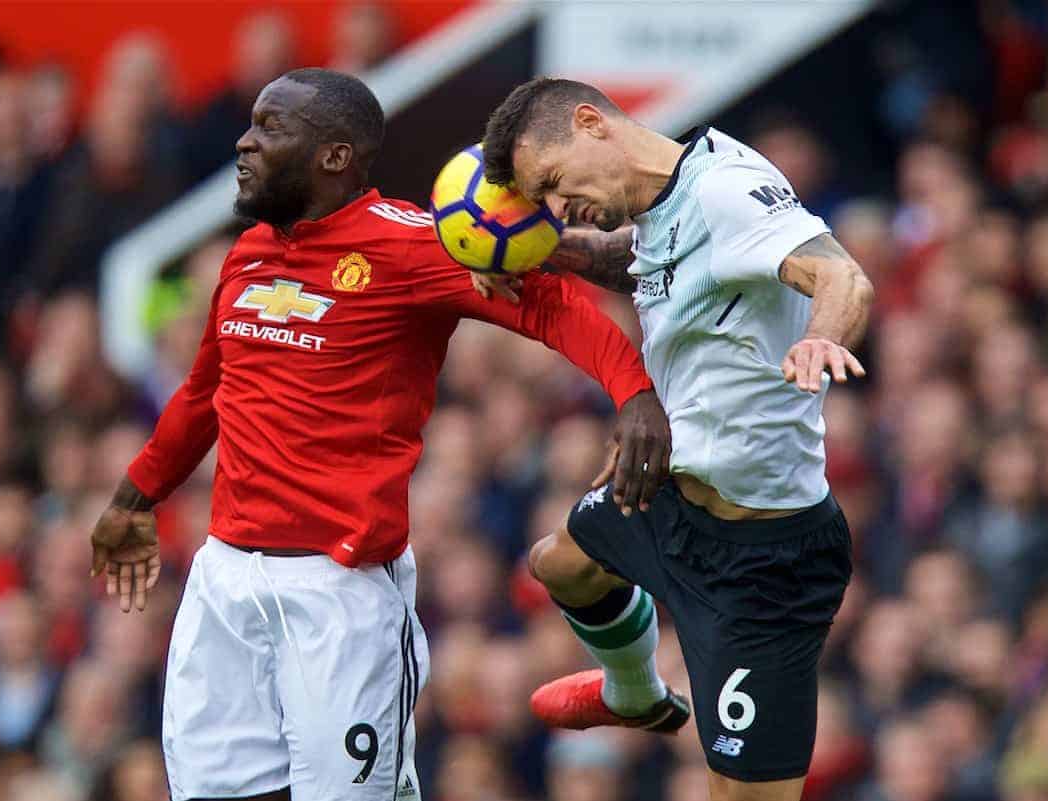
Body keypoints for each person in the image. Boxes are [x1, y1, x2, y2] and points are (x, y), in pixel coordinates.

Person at [88, 68, 671, 801]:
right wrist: (132, 499)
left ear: (335, 154)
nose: (245, 141)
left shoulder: (411, 247)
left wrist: (635, 394)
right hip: (224, 582)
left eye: (270, 127)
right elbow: (206, 392)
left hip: (341, 594)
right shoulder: (248, 255)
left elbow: (551, 306)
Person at [476, 77, 875, 801]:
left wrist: (819, 340)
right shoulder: (667, 203)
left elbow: (842, 276)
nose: (560, 209)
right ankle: (634, 691)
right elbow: (628, 260)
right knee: (560, 564)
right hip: (672, 504)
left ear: (592, 124)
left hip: (764, 567)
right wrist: (535, 249)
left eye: (555, 185)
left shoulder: (725, 190)